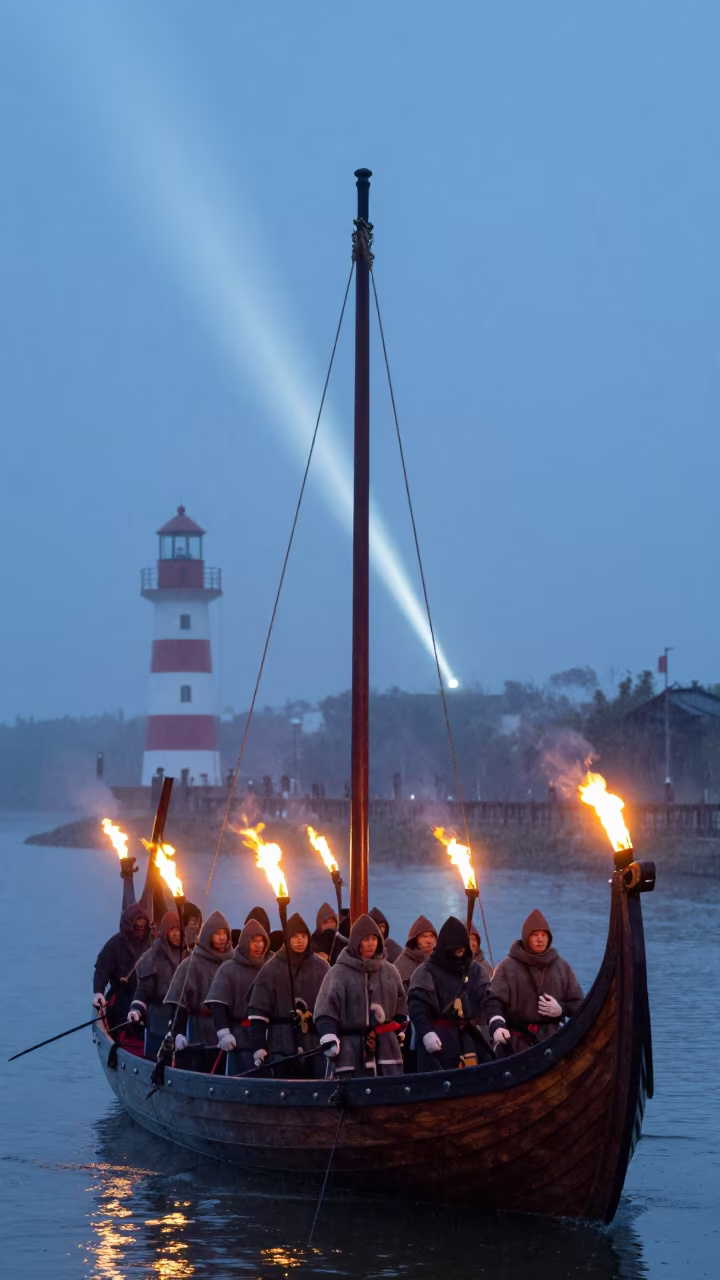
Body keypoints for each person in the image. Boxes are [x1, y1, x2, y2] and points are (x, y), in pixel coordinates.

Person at [315, 914, 407, 1078]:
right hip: (350, 1050)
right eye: (366, 939)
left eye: (374, 938)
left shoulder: (390, 971)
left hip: (386, 1049)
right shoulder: (338, 973)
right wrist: (328, 1035)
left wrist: (400, 1028)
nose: (371, 943)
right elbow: (325, 1011)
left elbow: (401, 1004)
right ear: (356, 942)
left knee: (389, 1094)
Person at [485, 909, 584, 1055]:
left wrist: (562, 1009)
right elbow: (493, 1001)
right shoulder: (508, 967)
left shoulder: (561, 966)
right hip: (517, 1045)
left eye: (544, 935)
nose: (540, 939)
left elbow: (579, 1005)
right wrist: (497, 1025)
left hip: (554, 1043)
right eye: (535, 935)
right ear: (526, 938)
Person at [247, 912, 328, 1077]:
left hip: (314, 1042)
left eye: (303, 936)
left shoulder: (322, 968)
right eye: (295, 936)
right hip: (280, 1043)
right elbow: (258, 1013)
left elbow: (331, 1008)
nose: (300, 940)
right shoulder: (271, 968)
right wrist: (259, 1046)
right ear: (287, 938)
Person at [408, 916, 492, 1071]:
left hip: (468, 1037)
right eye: (455, 947)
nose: (459, 950)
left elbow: (489, 1000)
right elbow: (417, 1007)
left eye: (462, 947)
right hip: (438, 1039)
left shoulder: (476, 970)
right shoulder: (426, 971)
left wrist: (496, 1022)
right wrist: (426, 1033)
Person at [205, 918, 270, 1072]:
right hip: (240, 1036)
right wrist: (224, 1033)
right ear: (245, 942)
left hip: (267, 1037)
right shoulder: (229, 968)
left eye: (261, 941)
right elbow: (218, 1004)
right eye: (254, 941)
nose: (258, 945)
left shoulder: (271, 967)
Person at [164, 910, 232, 1050]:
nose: (222, 937)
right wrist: (178, 1033)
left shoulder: (233, 962)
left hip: (230, 1027)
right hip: (199, 1026)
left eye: (224, 933)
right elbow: (179, 1003)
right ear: (208, 936)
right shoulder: (191, 964)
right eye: (217, 934)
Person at [127, 909, 186, 1058]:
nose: (177, 934)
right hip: (159, 1016)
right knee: (155, 1058)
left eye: (180, 930)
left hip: (183, 1018)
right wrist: (136, 1010)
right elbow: (143, 990)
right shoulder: (152, 958)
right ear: (165, 931)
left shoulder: (189, 956)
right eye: (173, 930)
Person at [93, 901, 152, 1032]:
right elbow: (102, 968)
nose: (141, 929)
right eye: (137, 926)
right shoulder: (115, 944)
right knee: (121, 1019)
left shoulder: (153, 944)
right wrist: (98, 992)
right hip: (122, 995)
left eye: (143, 925)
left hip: (147, 997)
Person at [394, 916, 437, 990]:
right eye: (424, 936)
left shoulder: (437, 963)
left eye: (431, 936)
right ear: (415, 940)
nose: (429, 941)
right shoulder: (401, 966)